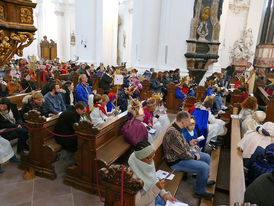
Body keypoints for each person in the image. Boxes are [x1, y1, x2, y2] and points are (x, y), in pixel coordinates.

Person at [163, 111, 214, 200]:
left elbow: (180, 145)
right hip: (175, 161)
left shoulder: (178, 128)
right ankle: (199, 192)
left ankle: (203, 181)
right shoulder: (172, 133)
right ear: (183, 121)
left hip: (182, 154)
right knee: (204, 167)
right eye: (188, 121)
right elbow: (182, 154)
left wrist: (189, 143)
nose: (189, 123)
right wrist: (194, 157)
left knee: (206, 157)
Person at [128, 141, 176, 206]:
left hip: (154, 196)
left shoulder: (146, 164)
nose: (152, 160)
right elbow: (137, 204)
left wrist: (164, 194)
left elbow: (153, 179)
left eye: (153, 155)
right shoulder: (132, 177)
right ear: (140, 159)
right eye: (150, 157)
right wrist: (157, 188)